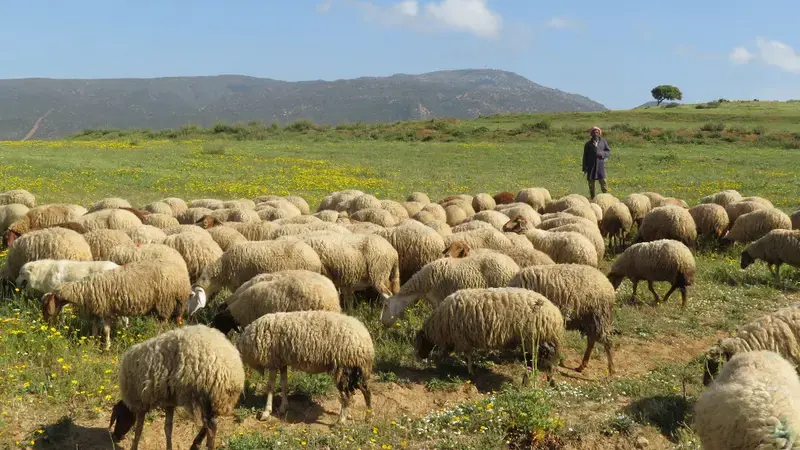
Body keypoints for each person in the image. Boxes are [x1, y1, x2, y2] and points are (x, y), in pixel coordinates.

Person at [582, 126, 611, 199]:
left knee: (603, 182)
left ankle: (606, 197)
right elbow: (585, 156)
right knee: (591, 184)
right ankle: (592, 197)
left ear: (599, 133)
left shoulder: (603, 142)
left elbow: (608, 151)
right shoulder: (588, 144)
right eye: (594, 132)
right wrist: (585, 167)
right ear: (591, 134)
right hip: (591, 166)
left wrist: (603, 154)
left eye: (597, 132)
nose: (596, 134)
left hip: (601, 165)